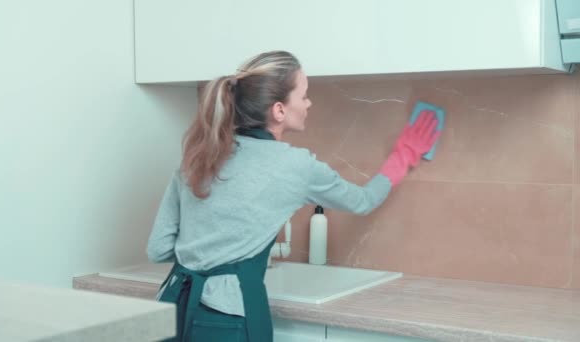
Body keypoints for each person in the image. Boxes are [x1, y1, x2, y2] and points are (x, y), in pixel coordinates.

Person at [147, 50, 440, 342]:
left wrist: (206, 252)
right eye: (304, 95)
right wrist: (405, 154)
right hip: (226, 320)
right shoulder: (296, 167)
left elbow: (158, 249)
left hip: (171, 303)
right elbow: (362, 202)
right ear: (279, 110)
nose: (309, 103)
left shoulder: (199, 155)